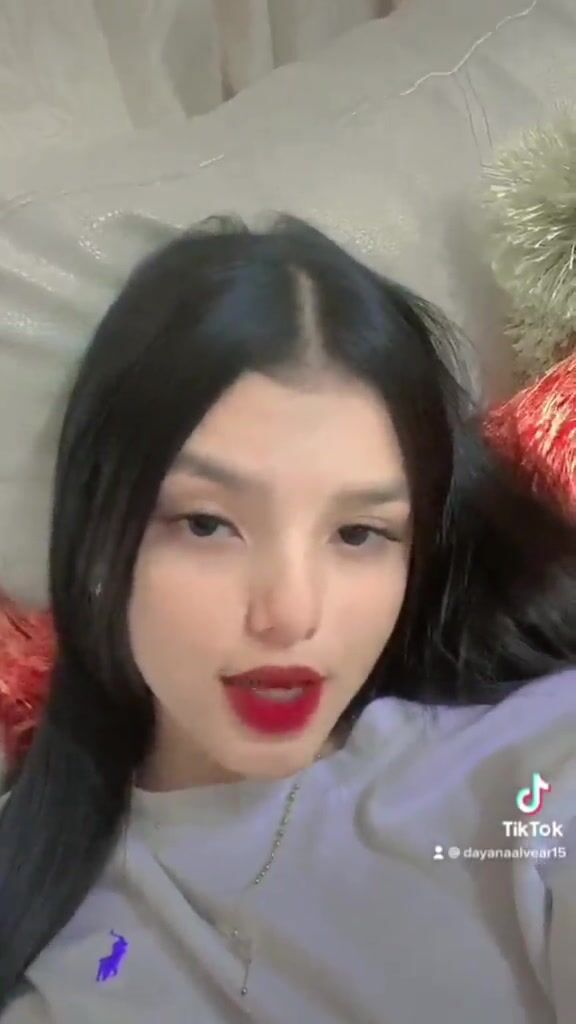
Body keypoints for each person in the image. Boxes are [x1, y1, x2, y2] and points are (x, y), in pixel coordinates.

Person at [0, 213, 575, 1023]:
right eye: (208, 524)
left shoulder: (539, 771)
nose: (291, 614)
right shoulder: (45, 921)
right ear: (96, 539)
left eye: (359, 534)